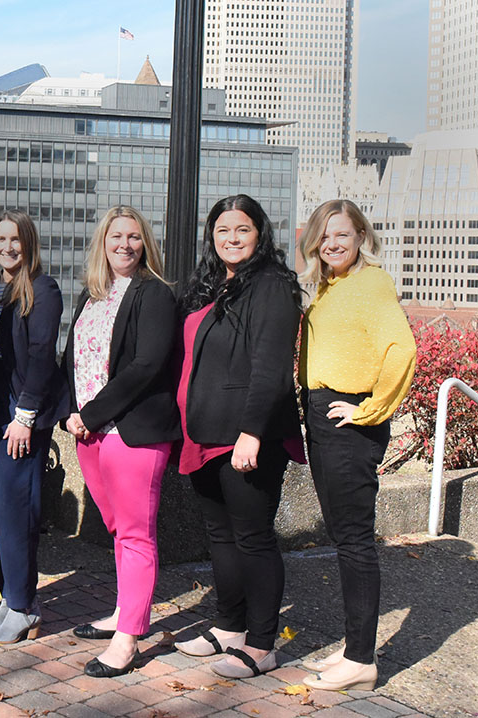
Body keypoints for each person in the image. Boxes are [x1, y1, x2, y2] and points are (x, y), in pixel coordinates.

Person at [173, 194, 304, 678]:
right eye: (223, 230)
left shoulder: (270, 285)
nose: (232, 238)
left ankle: (263, 644)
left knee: (252, 538)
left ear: (259, 234)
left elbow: (270, 370)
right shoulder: (210, 286)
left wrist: (251, 433)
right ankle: (230, 626)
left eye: (242, 229)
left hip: (246, 436)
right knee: (220, 537)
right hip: (202, 431)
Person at [297, 200, 416, 692]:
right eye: (325, 237)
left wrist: (367, 411)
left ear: (361, 234)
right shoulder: (327, 286)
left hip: (349, 421)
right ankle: (353, 653)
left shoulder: (372, 283)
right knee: (343, 537)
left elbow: (402, 349)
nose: (332, 244)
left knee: (354, 541)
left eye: (342, 235)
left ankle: (361, 659)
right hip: (322, 416)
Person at [61, 206, 180, 676]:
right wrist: (72, 413)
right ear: (103, 242)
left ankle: (128, 638)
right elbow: (72, 357)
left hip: (132, 432)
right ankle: (124, 613)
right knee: (118, 530)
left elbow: (146, 365)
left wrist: (90, 414)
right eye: (117, 236)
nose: (125, 245)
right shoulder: (93, 295)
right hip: (89, 433)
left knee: (135, 533)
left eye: (135, 237)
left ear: (145, 243)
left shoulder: (154, 294)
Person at [0, 210, 64, 645]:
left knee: (16, 507)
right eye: (0, 239)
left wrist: (25, 415)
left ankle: (25, 606)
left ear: (29, 243)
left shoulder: (42, 289)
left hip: (23, 410)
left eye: (16, 240)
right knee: (0, 508)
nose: (7, 247)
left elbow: (44, 354)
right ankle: (12, 599)